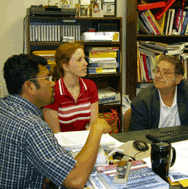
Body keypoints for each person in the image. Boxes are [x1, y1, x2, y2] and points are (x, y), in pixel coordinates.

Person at [0, 54, 111, 188]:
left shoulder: (4, 107)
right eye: (47, 79)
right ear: (29, 86)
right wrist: (96, 129)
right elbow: (75, 180)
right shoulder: (32, 126)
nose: (53, 83)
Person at [43, 43, 101, 133]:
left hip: (86, 140)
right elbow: (56, 134)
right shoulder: (52, 91)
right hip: (63, 144)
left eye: (84, 59)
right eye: (79, 60)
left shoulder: (90, 86)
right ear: (66, 66)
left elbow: (93, 125)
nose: (85, 63)